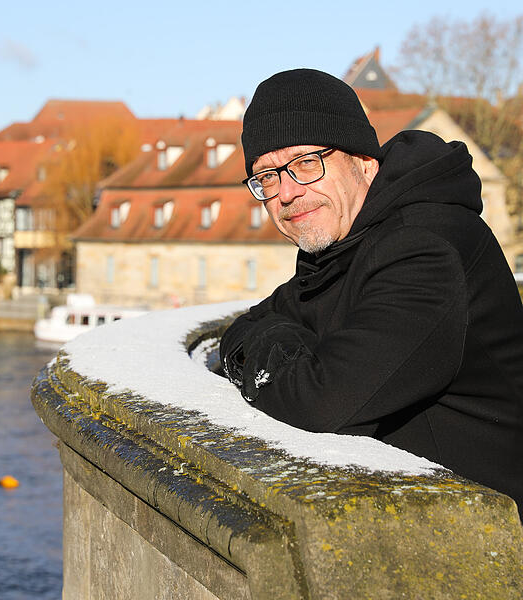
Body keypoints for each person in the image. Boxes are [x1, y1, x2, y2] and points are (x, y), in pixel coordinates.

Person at [220, 68, 523, 512]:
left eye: (306, 163)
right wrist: (275, 341)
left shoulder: (423, 247)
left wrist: (271, 344)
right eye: (266, 177)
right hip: (421, 514)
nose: (286, 193)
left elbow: (323, 402)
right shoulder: (345, 244)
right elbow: (244, 327)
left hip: (492, 540)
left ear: (363, 161)